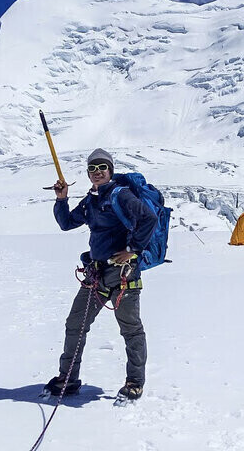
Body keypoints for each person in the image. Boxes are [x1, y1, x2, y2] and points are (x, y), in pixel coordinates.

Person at [45, 148, 157, 401]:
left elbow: (148, 218)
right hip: (96, 273)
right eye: (92, 169)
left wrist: (133, 250)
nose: (97, 172)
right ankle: (68, 379)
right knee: (76, 324)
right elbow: (67, 224)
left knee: (130, 329)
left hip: (123, 275)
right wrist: (62, 199)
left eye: (101, 168)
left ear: (110, 170)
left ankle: (134, 382)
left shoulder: (122, 195)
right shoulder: (92, 199)